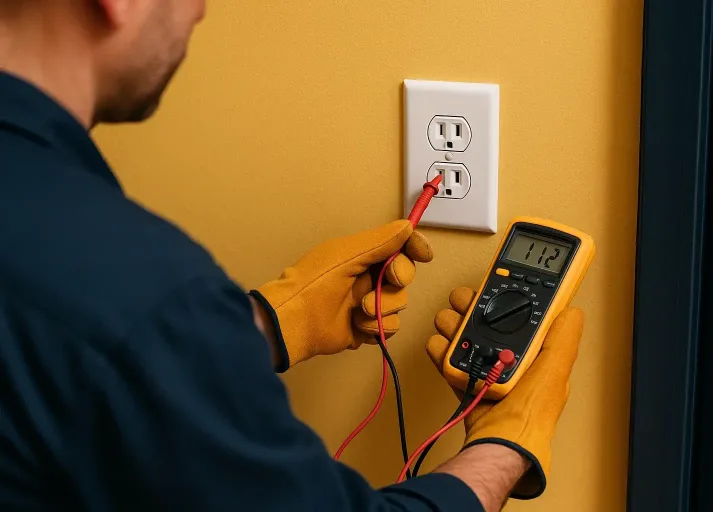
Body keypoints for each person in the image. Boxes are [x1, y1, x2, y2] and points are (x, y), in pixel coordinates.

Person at [0, 2, 584, 511]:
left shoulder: (101, 285)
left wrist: (266, 323)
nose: (200, 12)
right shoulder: (142, 291)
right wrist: (505, 445)